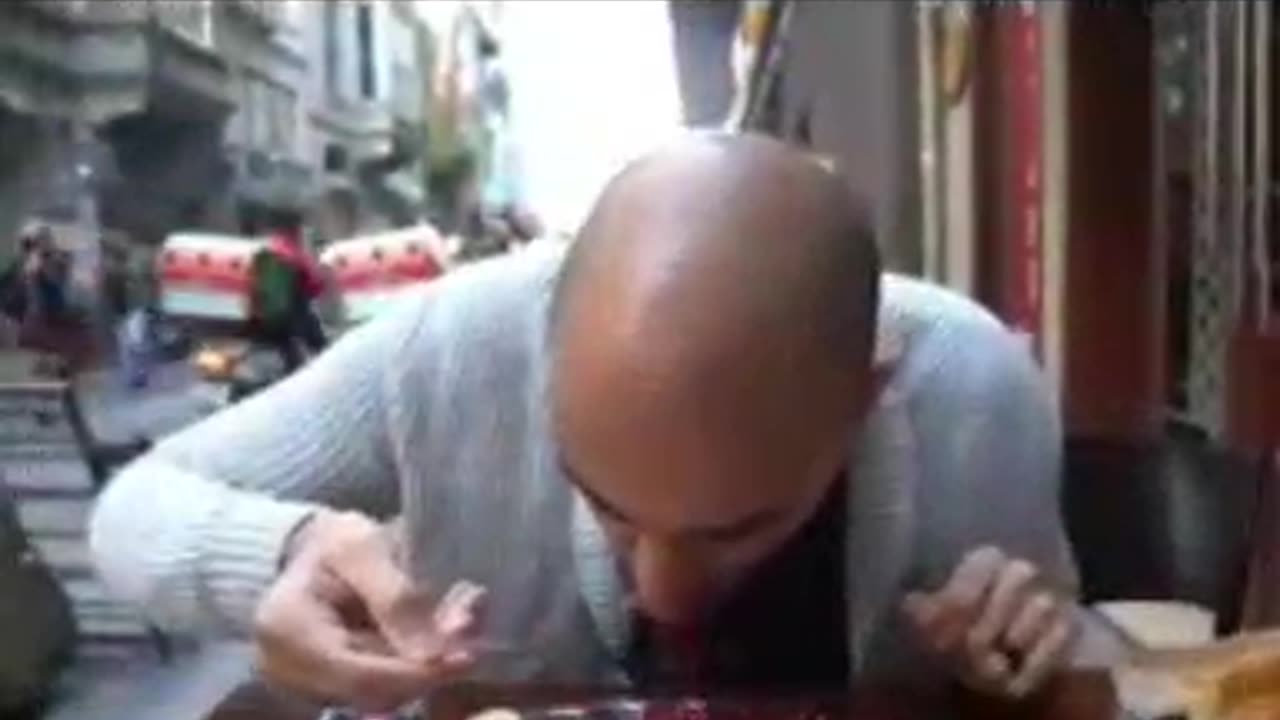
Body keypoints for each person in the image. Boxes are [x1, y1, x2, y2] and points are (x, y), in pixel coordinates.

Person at [90, 135, 1120, 713]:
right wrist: (292, 550)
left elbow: (1055, 671)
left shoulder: (972, 390)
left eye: (735, 529)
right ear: (545, 352)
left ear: (865, 394)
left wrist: (1014, 658)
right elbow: (133, 508)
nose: (663, 592)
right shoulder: (456, 345)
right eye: (607, 507)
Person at [257, 210, 328, 371]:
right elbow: (314, 285)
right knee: (320, 348)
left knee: (287, 351)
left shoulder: (268, 249)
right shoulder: (294, 251)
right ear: (295, 229)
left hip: (270, 316)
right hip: (297, 313)